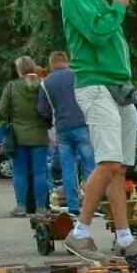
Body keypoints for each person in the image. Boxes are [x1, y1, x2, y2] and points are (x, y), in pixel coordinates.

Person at [59, 0, 137, 262]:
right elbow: (96, 33)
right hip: (95, 84)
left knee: (119, 167)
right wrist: (118, 8)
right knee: (108, 162)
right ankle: (79, 233)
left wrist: (113, 6)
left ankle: (124, 238)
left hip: (118, 87)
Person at [38, 50, 95, 214]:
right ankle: (93, 203)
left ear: (51, 64)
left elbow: (42, 109)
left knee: (68, 168)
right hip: (83, 124)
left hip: (62, 129)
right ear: (66, 61)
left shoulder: (45, 83)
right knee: (90, 166)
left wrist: (51, 121)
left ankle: (73, 205)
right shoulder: (78, 76)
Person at [0, 55, 49, 216]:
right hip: (40, 135)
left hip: (18, 136)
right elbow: (49, 109)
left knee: (19, 172)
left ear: (18, 69)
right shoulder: (42, 85)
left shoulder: (11, 86)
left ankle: (21, 206)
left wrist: (6, 121)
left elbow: (2, 111)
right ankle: (41, 207)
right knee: (40, 172)